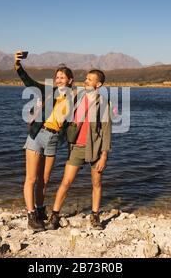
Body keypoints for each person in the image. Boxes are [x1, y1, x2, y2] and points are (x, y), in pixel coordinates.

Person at [14, 50, 74, 232]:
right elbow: (28, 81)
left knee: (45, 179)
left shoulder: (74, 97)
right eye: (57, 77)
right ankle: (31, 215)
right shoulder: (48, 91)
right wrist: (17, 64)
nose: (59, 79)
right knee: (31, 178)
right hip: (37, 135)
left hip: (53, 139)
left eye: (63, 77)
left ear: (70, 80)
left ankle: (40, 210)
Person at [47, 69, 112, 230]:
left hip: (95, 149)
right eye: (86, 78)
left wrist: (104, 155)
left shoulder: (103, 103)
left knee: (96, 183)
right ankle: (55, 215)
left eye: (90, 79)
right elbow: (59, 99)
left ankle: (95, 216)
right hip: (76, 147)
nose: (86, 81)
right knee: (66, 182)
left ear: (98, 84)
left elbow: (106, 131)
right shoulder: (77, 97)